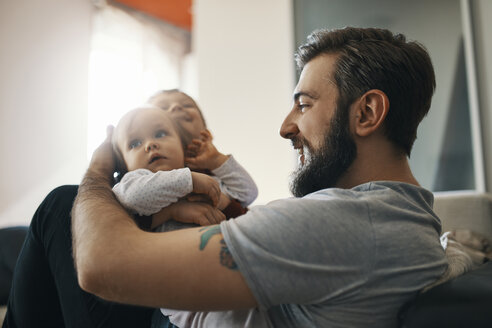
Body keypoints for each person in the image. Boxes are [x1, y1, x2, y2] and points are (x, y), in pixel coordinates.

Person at [3, 26, 447, 328]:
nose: (285, 126)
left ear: (367, 113)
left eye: (305, 104)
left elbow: (100, 265)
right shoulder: (410, 218)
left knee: (62, 206)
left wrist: (100, 167)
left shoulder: (345, 225)